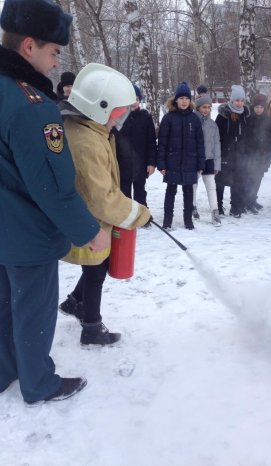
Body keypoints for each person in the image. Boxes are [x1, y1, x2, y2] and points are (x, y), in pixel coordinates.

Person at [0, 0, 110, 405]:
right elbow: (53, 187)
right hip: (28, 237)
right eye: (53, 52)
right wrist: (90, 231)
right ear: (29, 46)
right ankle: (39, 384)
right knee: (33, 314)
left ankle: (6, 370)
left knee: (4, 307)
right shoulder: (33, 108)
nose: (54, 62)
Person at [59, 64, 151, 345]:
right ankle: (91, 327)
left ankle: (74, 301)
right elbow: (102, 199)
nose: (119, 120)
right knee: (97, 271)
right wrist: (139, 214)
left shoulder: (90, 129)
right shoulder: (87, 140)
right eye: (118, 113)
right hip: (89, 220)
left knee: (95, 268)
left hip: (89, 217)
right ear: (101, 107)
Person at [157, 81, 206, 230]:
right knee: (170, 191)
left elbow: (200, 143)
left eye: (187, 98)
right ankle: (167, 220)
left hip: (190, 161)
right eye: (181, 98)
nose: (184, 101)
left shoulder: (194, 119)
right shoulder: (168, 119)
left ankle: (188, 220)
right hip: (172, 162)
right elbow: (162, 144)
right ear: (176, 100)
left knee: (188, 192)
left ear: (190, 101)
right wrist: (162, 164)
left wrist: (200, 164)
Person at [113, 84, 157, 227]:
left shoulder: (145, 117)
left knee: (140, 191)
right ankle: (126, 217)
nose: (133, 102)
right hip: (122, 163)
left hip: (141, 163)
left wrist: (151, 163)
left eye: (136, 98)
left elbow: (151, 141)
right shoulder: (118, 118)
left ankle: (143, 217)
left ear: (140, 100)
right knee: (124, 192)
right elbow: (113, 141)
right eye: (130, 98)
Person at [215, 84, 250, 218]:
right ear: (231, 100)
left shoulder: (246, 115)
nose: (239, 103)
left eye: (241, 100)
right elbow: (216, 136)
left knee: (238, 182)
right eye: (237, 100)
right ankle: (218, 206)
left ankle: (236, 207)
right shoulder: (223, 116)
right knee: (220, 182)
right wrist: (219, 153)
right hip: (225, 155)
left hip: (240, 155)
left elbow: (248, 135)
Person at [193, 90, 222, 226]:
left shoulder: (212, 124)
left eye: (209, 107)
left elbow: (217, 145)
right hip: (195, 159)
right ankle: (192, 207)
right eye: (204, 107)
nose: (207, 109)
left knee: (211, 186)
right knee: (193, 185)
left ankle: (214, 212)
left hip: (209, 160)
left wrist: (217, 164)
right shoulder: (192, 122)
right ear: (198, 108)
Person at [245, 93, 271, 213]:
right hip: (250, 155)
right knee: (249, 179)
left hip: (262, 155)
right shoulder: (248, 119)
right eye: (256, 107)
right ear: (253, 107)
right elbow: (246, 137)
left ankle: (253, 199)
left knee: (258, 179)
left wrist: (266, 153)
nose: (258, 110)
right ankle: (247, 201)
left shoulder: (268, 120)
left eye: (261, 107)